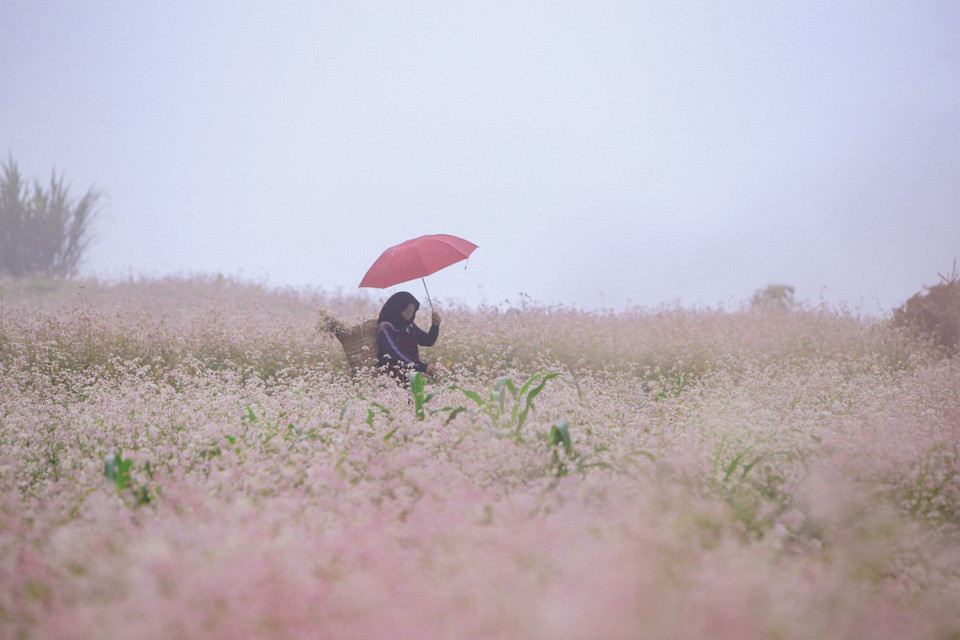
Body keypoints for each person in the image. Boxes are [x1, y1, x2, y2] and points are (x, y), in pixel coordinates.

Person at [376, 291, 441, 382]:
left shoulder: (409, 326)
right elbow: (395, 353)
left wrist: (435, 326)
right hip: (392, 379)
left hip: (411, 378)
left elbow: (428, 340)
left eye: (412, 312)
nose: (410, 315)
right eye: (407, 312)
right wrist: (421, 366)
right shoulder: (386, 328)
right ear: (398, 309)